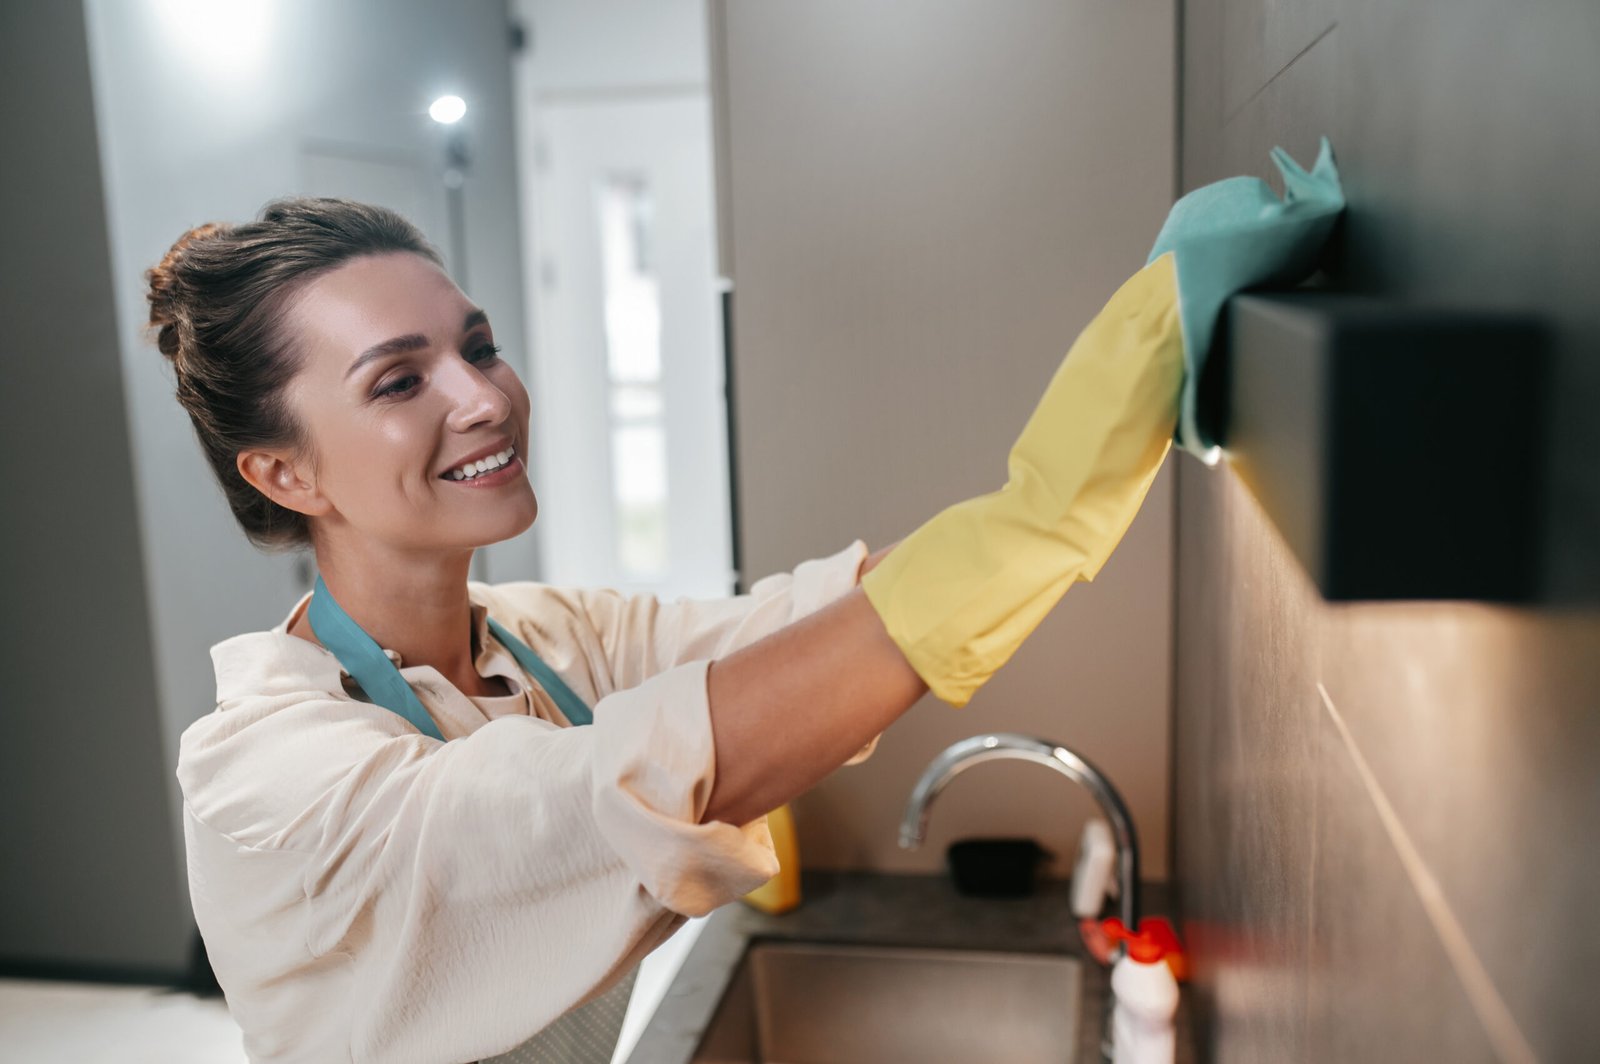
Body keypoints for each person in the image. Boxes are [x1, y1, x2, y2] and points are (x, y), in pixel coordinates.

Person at [156, 199, 928, 1064]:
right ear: (285, 473)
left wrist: (1035, 513)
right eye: (399, 382)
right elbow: (616, 791)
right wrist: (1016, 547)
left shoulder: (549, 638)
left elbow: (808, 624)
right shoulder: (269, 773)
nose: (486, 397)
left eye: (479, 348)